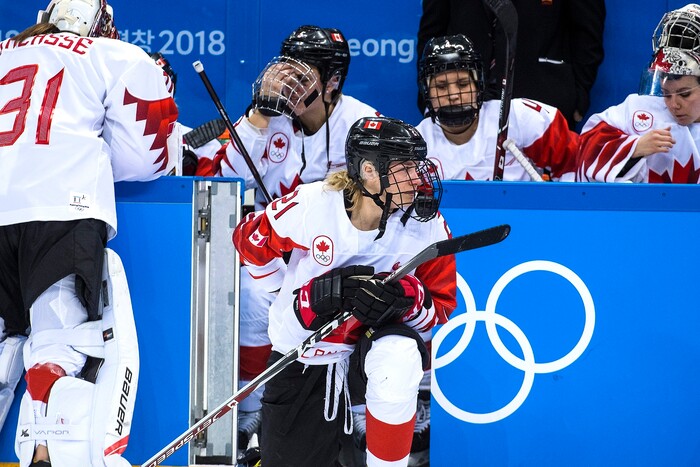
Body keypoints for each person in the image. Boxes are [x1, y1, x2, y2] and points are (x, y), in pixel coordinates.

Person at [0, 1, 178, 466]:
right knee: (57, 345)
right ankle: (43, 455)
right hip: (61, 208)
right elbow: (150, 158)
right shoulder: (111, 55)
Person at [194, 25, 380, 456]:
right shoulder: (267, 118)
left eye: (304, 73)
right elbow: (226, 179)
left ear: (331, 80)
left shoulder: (361, 120)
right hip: (279, 248)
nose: (290, 81)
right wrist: (258, 115)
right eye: (287, 69)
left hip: (344, 251)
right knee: (255, 295)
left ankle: (362, 411)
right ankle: (252, 410)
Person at [232, 115, 457, 467]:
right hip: (306, 356)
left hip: (371, 354)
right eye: (406, 168)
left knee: (399, 355)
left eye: (419, 166)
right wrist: (295, 298)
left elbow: (441, 307)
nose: (419, 178)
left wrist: (406, 298)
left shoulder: (426, 227)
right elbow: (248, 242)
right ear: (369, 170)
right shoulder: (314, 205)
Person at [416, 0, 606, 130]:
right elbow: (432, 33)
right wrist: (429, 97)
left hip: (543, 100)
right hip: (459, 105)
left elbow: (588, 34)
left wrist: (578, 98)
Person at [416, 34, 580, 182]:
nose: (453, 95)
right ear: (427, 92)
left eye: (463, 84)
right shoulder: (414, 146)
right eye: (441, 87)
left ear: (478, 85)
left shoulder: (518, 117)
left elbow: (574, 162)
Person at [577, 46, 700, 183]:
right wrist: (633, 148)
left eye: (684, 94)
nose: (674, 105)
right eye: (666, 94)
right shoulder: (639, 108)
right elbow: (587, 145)